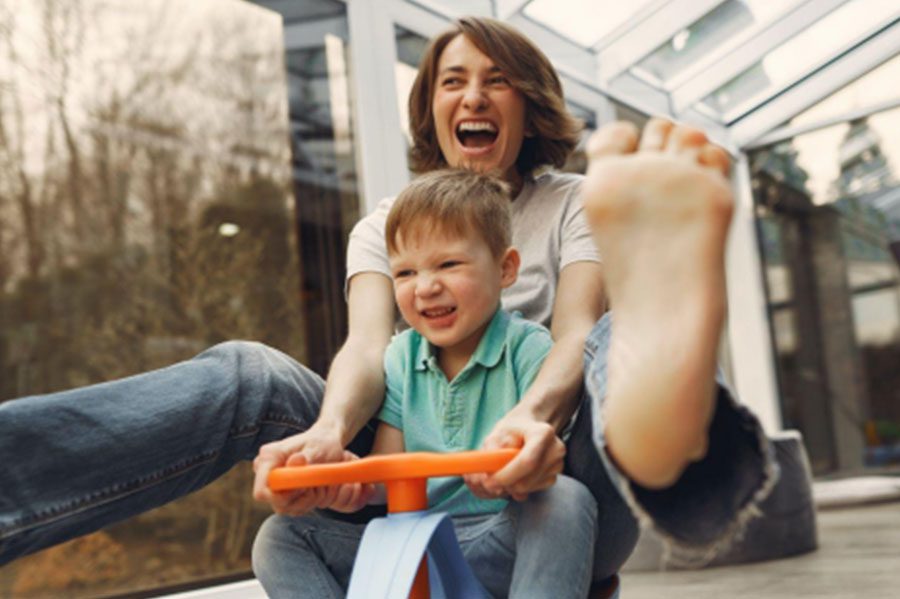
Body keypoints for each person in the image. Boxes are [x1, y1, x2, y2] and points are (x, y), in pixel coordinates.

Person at [0, 15, 775, 591]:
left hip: (553, 474)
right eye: (452, 79)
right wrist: (332, 439)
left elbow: (571, 330)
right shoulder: (381, 227)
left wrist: (532, 421)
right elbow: (368, 350)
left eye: (496, 79)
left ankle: (671, 447)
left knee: (615, 331)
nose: (473, 94)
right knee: (249, 373)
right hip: (416, 488)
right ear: (431, 109)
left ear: (529, 105)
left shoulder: (583, 202)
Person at [252, 169, 598, 598]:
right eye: (405, 273)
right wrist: (352, 490)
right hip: (415, 543)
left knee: (565, 501)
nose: (426, 287)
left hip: (499, 537)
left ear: (506, 269)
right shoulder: (399, 358)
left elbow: (544, 460)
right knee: (280, 536)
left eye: (449, 264)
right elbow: (387, 473)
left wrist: (513, 473)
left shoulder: (528, 349)